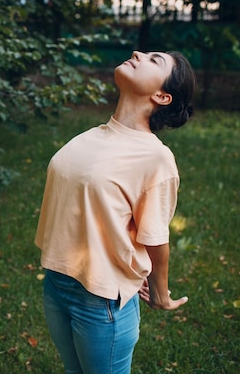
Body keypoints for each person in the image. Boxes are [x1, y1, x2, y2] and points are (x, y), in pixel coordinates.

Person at [35, 50, 196, 374]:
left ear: (162, 96)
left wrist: (160, 295)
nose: (138, 53)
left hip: (101, 301)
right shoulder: (92, 136)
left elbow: (155, 237)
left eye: (154, 60)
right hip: (56, 283)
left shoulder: (155, 158)